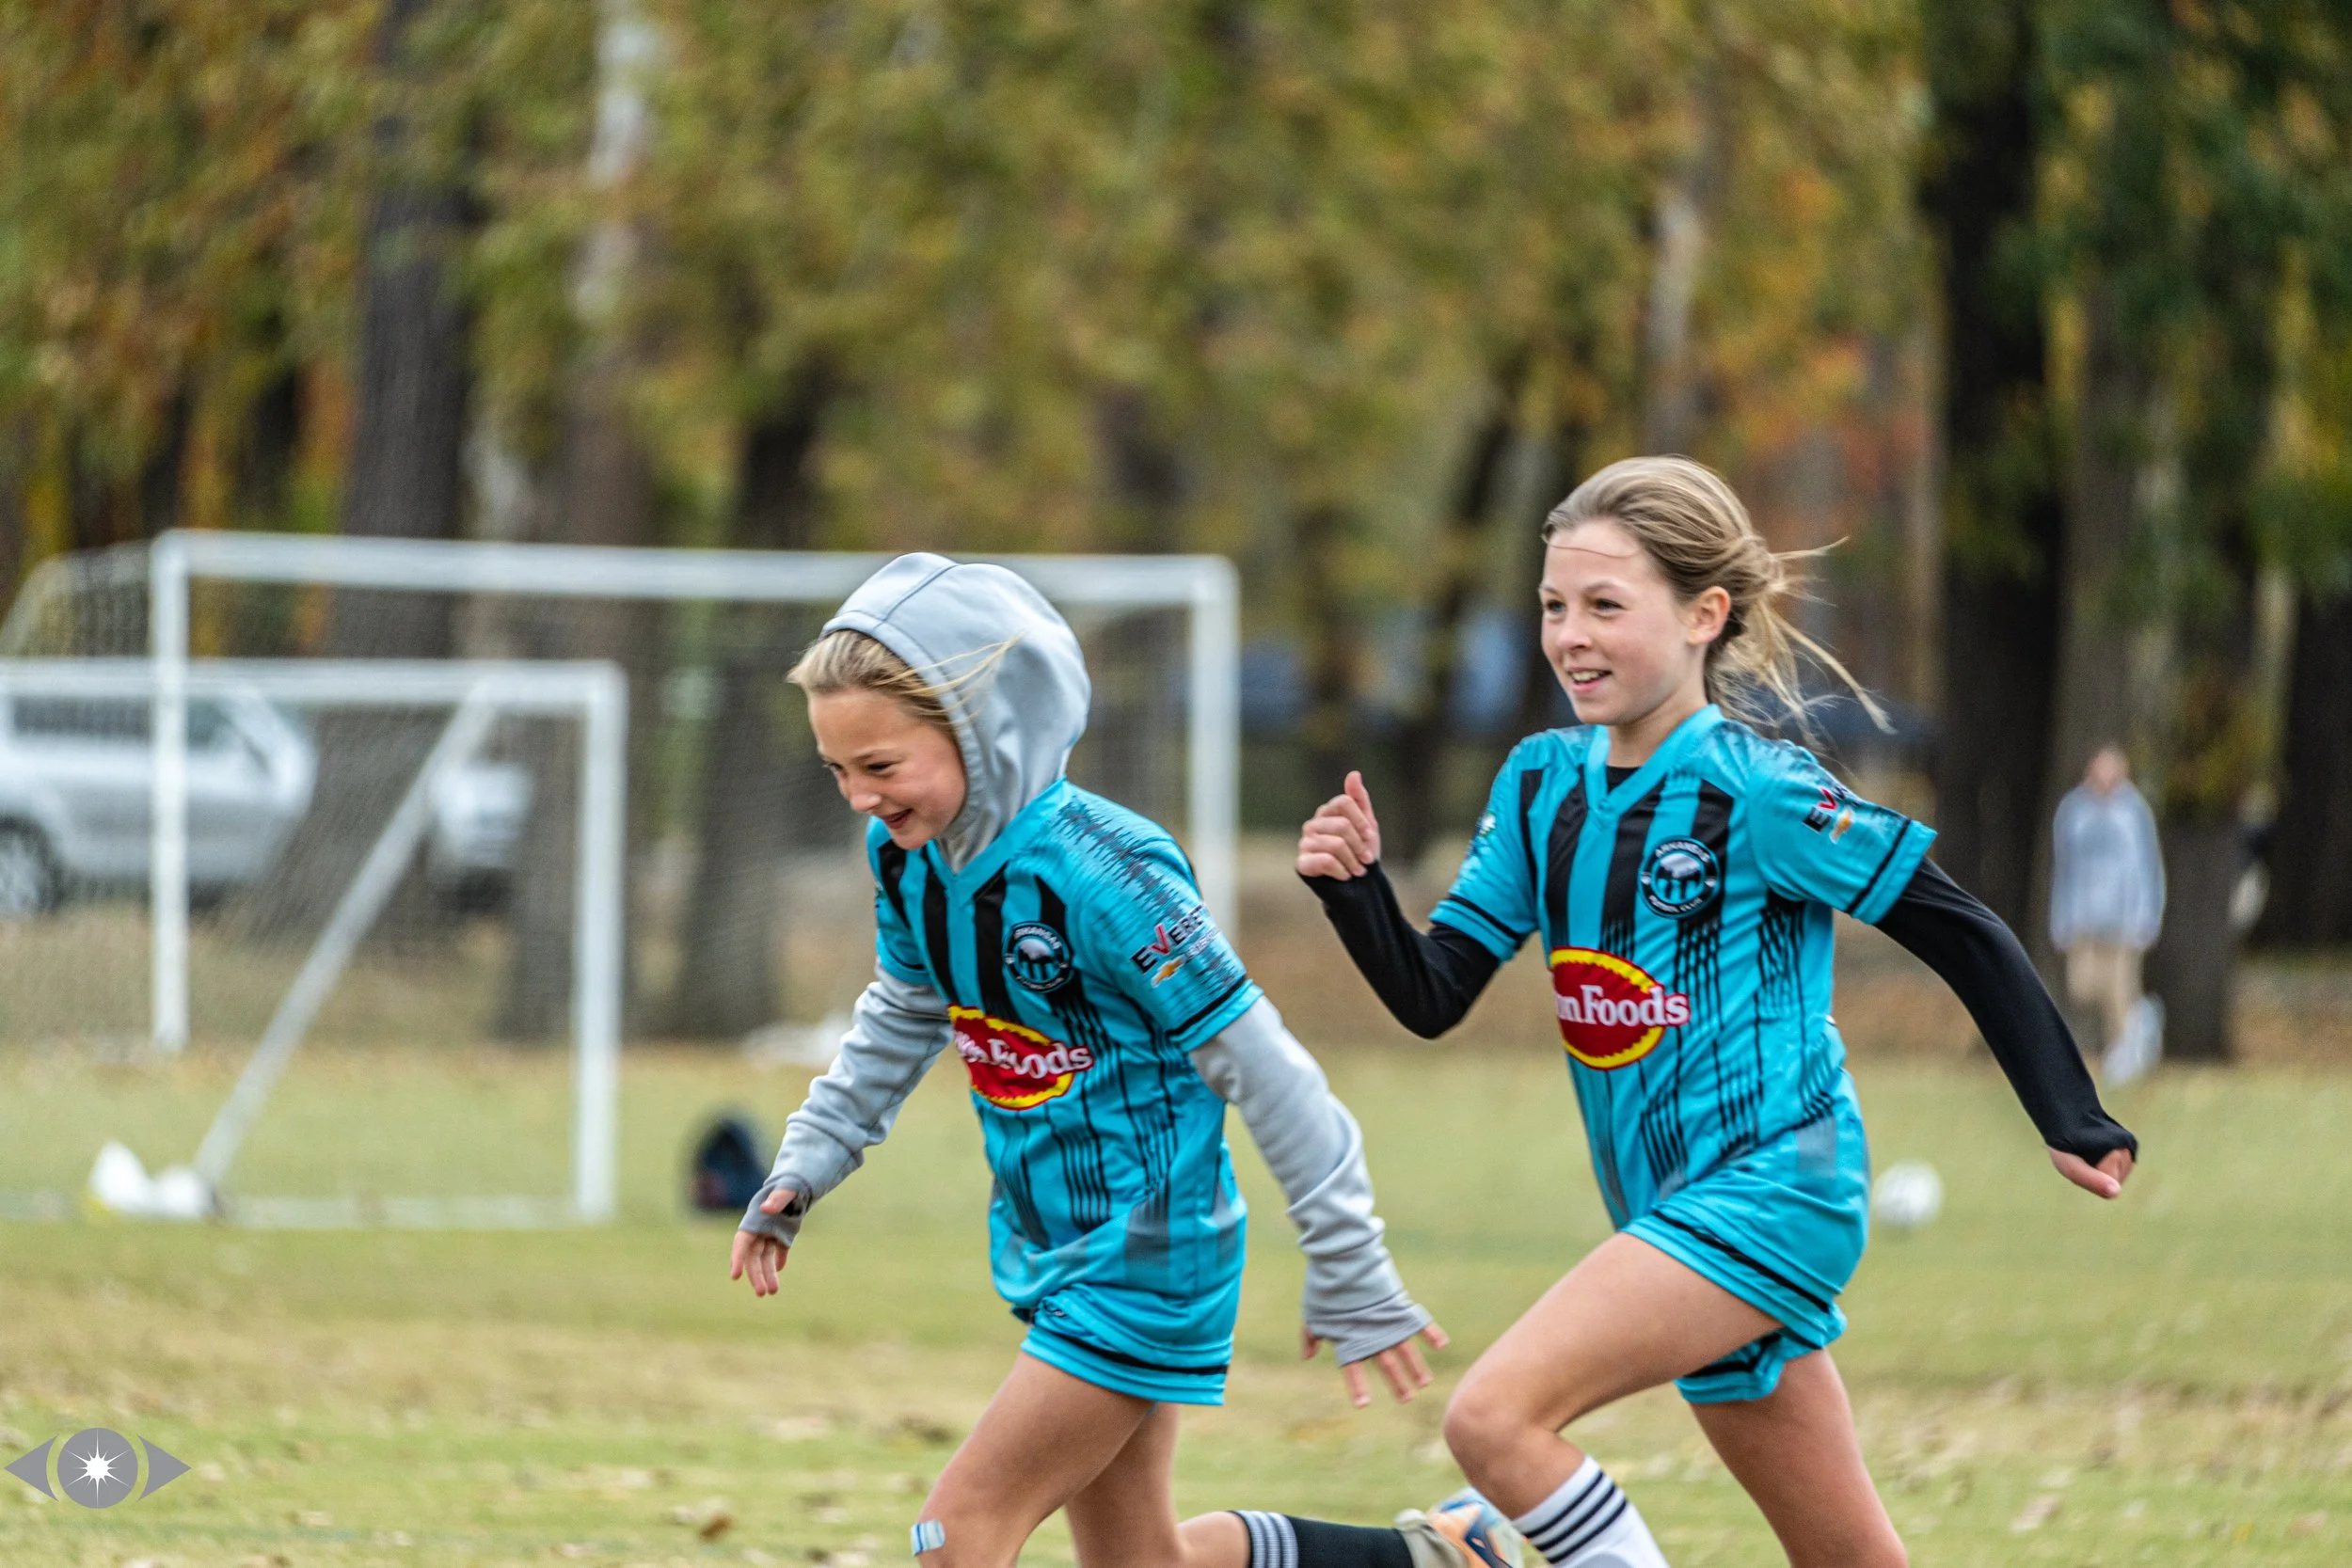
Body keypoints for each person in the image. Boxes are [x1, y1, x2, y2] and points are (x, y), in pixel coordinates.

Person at [1295, 458, 2139, 1568]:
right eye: (1554, 605)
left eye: (1605, 605)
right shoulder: (1540, 783)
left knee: (1492, 1417)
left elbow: (1960, 928)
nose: (1569, 636)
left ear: (1705, 614)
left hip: (1774, 1188)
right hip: (1663, 1206)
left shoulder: (1758, 790)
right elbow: (1433, 990)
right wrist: (1355, 892)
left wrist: (2071, 1113)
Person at [729, 554, 1519, 1568]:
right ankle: (1442, 1550)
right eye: (838, 770)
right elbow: (900, 1013)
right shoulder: (907, 859)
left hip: (1146, 1256)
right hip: (1052, 1246)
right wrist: (807, 1158)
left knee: (952, 1533)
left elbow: (1264, 1065)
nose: (858, 798)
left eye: (881, 767)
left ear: (986, 726)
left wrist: (1348, 1260)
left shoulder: (1107, 872)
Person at [2049, 745, 2166, 1082]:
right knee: (2081, 986)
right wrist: (2061, 918)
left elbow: (2147, 867)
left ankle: (2123, 1052)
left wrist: (2147, 915)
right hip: (2085, 917)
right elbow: (2065, 868)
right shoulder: (2073, 810)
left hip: (2124, 919)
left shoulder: (2133, 812)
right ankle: (2143, 1018)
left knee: (2120, 991)